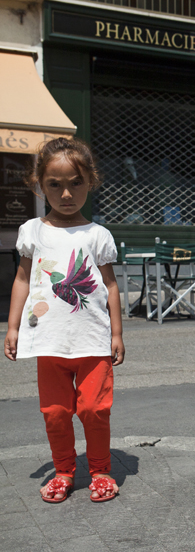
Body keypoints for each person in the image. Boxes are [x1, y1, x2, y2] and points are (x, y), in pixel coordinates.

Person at [4, 137, 125, 504]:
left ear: (91, 182)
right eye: (54, 184)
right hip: (49, 343)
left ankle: (101, 469)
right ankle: (63, 471)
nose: (66, 193)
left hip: (92, 342)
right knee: (56, 414)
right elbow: (23, 279)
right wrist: (12, 327)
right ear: (40, 184)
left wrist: (117, 332)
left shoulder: (97, 235)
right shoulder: (32, 231)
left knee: (93, 409)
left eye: (75, 182)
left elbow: (110, 285)